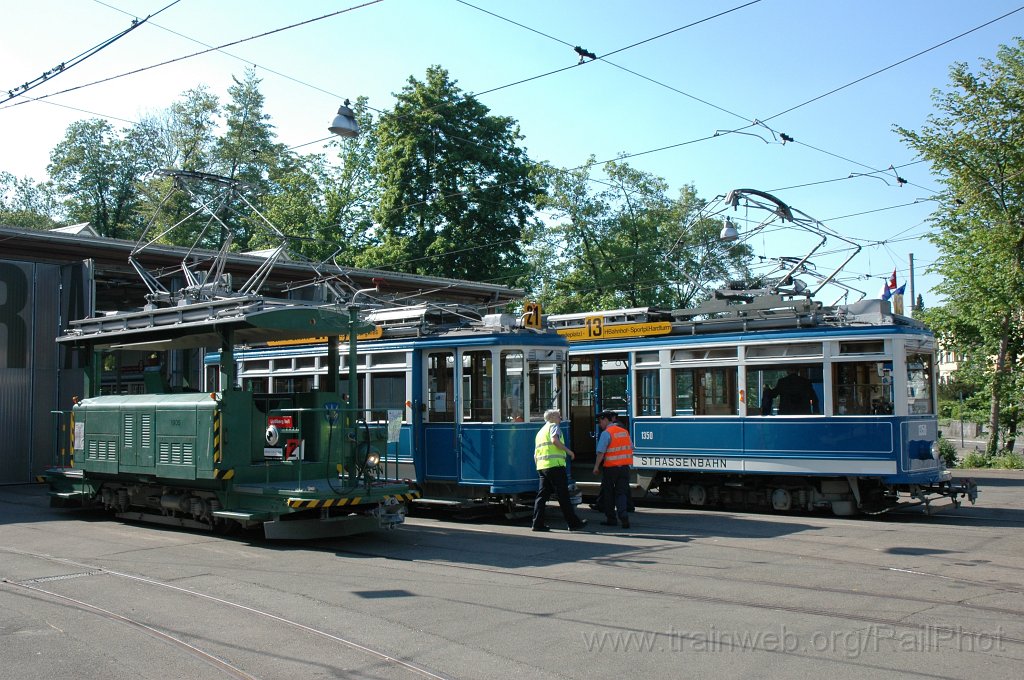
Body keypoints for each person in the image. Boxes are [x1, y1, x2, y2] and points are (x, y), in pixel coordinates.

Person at [531, 409, 588, 532]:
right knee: (563, 495)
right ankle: (573, 523)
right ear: (552, 418)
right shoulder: (553, 427)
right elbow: (554, 440)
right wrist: (569, 451)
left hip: (542, 467)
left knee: (542, 496)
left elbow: (535, 454)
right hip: (555, 466)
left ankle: (537, 523)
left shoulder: (540, 432)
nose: (560, 419)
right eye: (558, 416)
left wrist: (538, 467)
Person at [592, 411, 633, 529]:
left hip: (610, 468)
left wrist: (596, 466)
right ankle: (623, 516)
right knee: (621, 493)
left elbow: (601, 452)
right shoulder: (624, 432)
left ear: (605, 420)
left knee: (608, 494)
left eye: (600, 422)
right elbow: (631, 447)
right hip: (624, 468)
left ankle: (611, 519)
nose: (600, 425)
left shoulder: (606, 433)